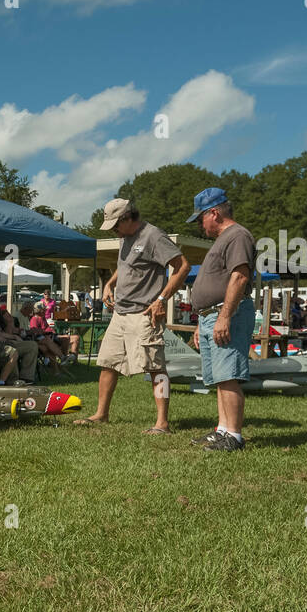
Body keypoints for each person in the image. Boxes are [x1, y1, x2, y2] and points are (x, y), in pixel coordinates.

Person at [77, 198, 189, 433]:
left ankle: (162, 423)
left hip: (144, 313)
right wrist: (109, 283)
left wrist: (161, 300)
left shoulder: (154, 236)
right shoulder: (125, 237)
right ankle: (101, 414)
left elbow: (182, 266)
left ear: (128, 218)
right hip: (120, 313)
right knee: (108, 363)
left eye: (116, 225)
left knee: (156, 367)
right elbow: (126, 264)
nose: (115, 230)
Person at [186, 188, 256, 451]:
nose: (200, 225)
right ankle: (223, 430)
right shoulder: (224, 239)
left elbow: (239, 276)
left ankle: (234, 436)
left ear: (213, 213)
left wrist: (224, 316)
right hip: (211, 315)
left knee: (228, 375)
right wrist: (201, 320)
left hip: (225, 314)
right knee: (219, 377)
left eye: (200, 218)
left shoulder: (237, 235)